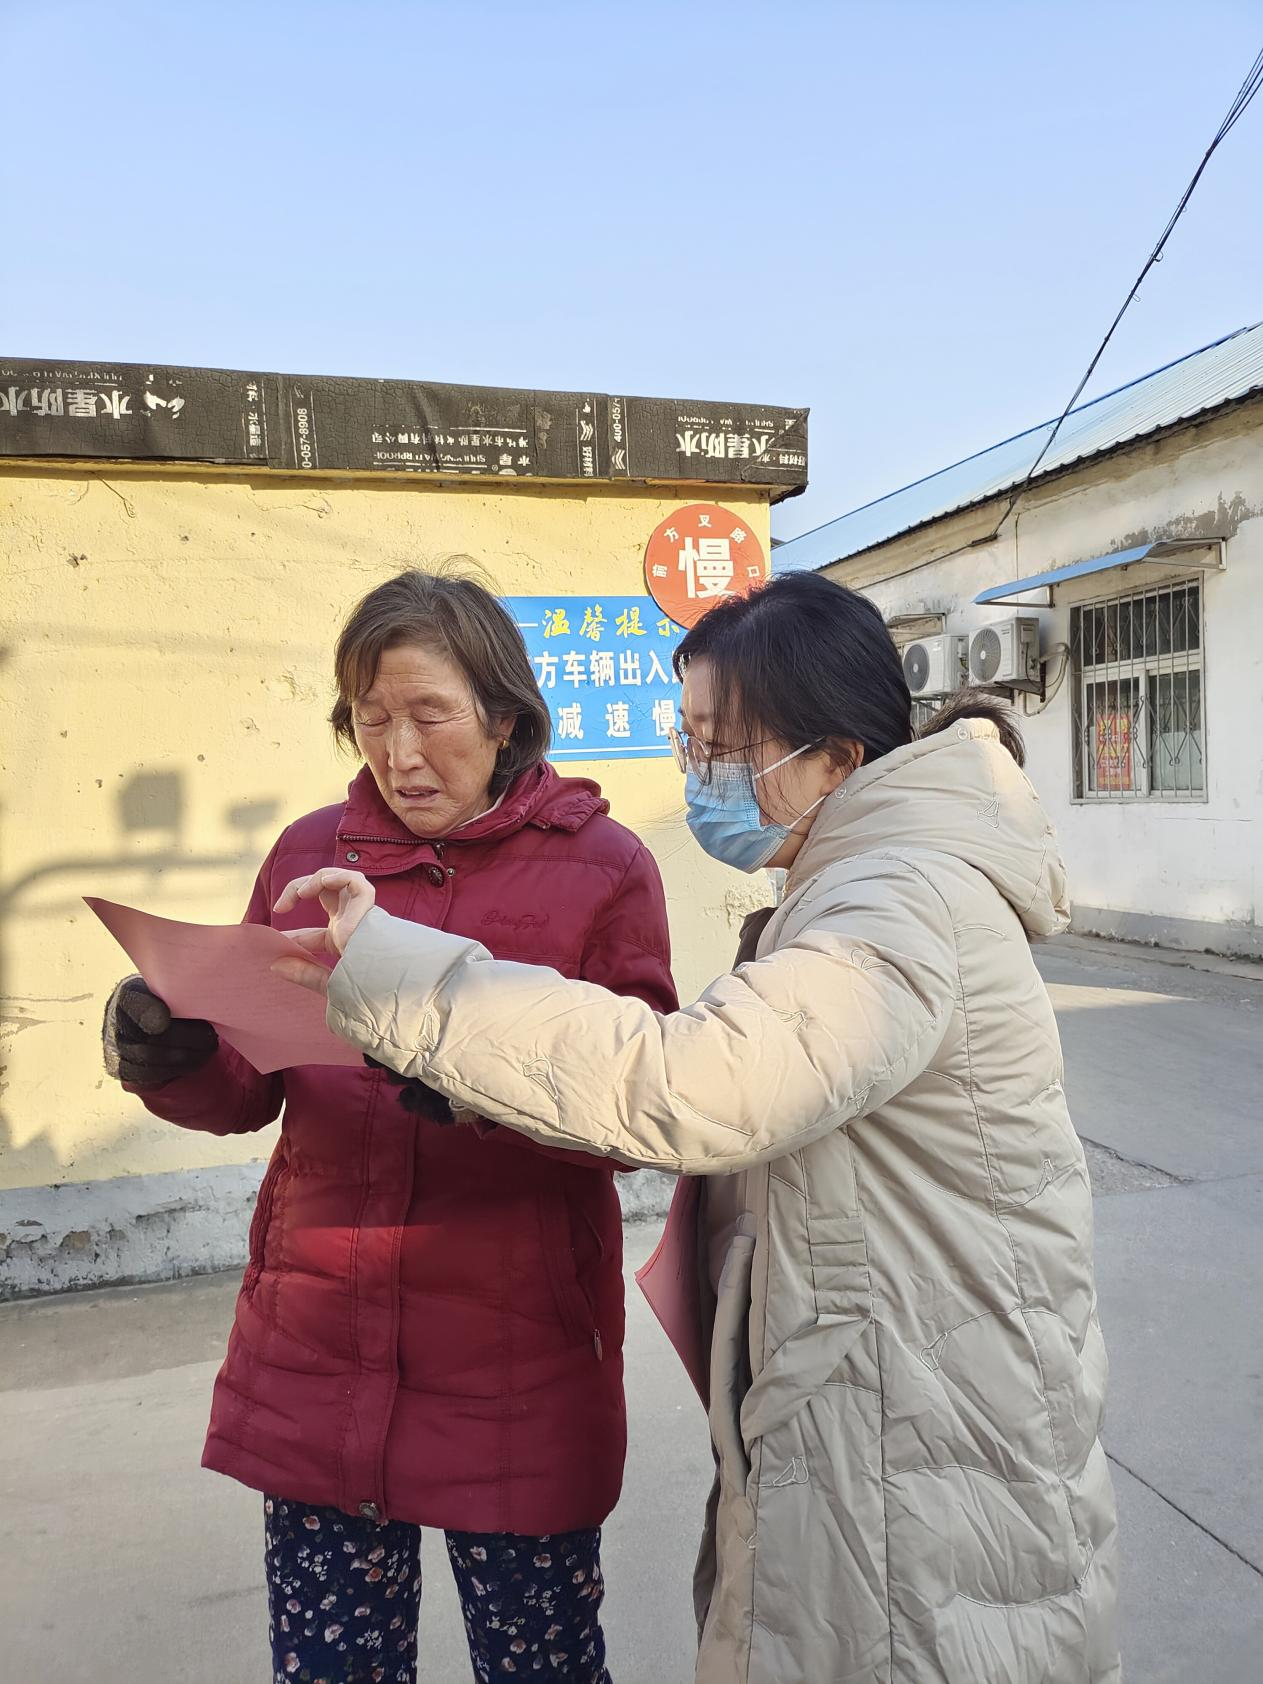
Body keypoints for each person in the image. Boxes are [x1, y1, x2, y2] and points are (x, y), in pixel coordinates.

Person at [273, 572, 1121, 1684]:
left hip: (918, 1414)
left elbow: (698, 1080)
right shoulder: (860, 881)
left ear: (834, 758)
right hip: (886, 1384)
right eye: (691, 742)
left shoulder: (898, 901)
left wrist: (408, 983)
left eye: (724, 747)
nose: (700, 773)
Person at [101, 567, 677, 1684]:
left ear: (503, 717)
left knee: (542, 1665)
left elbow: (638, 1103)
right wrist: (176, 1060)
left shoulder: (604, 867)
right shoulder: (311, 856)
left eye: (430, 715)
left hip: (520, 1359)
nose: (400, 754)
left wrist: (482, 1085)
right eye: (371, 720)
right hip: (317, 1346)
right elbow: (249, 1083)